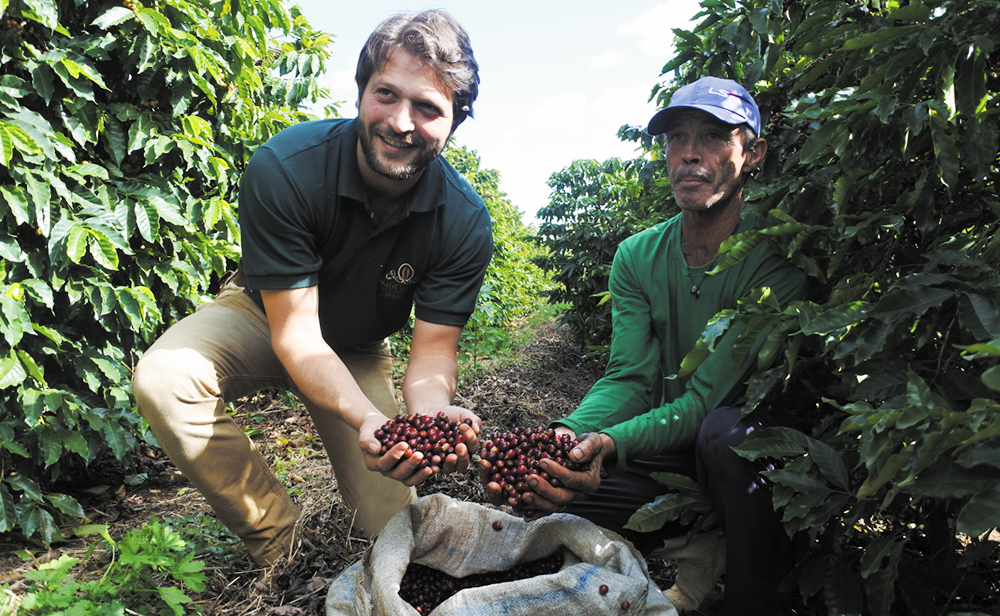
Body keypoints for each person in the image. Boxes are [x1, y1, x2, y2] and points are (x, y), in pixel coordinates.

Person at [132, 9, 491, 567]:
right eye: (386, 95)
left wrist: (430, 415)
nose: (400, 121)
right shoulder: (288, 168)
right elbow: (297, 338)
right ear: (359, 92)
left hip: (357, 345)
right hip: (263, 315)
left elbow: (433, 356)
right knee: (166, 379)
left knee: (393, 537)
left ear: (456, 122)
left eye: (427, 108)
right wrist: (367, 417)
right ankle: (282, 545)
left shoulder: (463, 221)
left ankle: (375, 541)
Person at [482, 77, 808, 614]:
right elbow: (629, 376)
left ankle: (757, 595)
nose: (689, 154)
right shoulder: (637, 255)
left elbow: (707, 401)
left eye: (711, 137)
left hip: (746, 459)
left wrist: (610, 445)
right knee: (548, 499)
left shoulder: (775, 263)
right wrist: (569, 438)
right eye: (676, 139)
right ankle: (702, 547)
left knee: (725, 435)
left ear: (752, 154)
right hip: (670, 450)